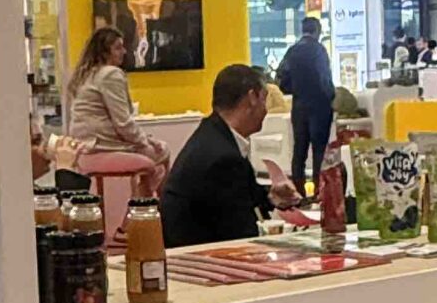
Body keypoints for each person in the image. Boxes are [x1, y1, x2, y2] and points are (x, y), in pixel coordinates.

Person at [159, 63, 298, 248]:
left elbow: (236, 197)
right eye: (264, 99)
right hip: (201, 256)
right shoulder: (223, 158)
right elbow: (242, 235)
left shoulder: (212, 135)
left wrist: (271, 198)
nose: (266, 110)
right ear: (252, 98)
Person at [65, 26, 165, 165]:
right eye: (118, 48)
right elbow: (123, 123)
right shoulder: (110, 74)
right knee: (162, 151)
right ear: (104, 53)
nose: (124, 51)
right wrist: (145, 142)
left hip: (82, 145)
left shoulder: (85, 75)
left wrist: (147, 139)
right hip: (103, 145)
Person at [275, 14, 335, 193]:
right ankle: (319, 191)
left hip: (299, 106)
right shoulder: (319, 50)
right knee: (319, 151)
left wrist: (294, 89)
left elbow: (281, 77)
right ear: (318, 31)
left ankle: (298, 192)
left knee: (299, 150)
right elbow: (324, 78)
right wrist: (331, 96)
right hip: (319, 106)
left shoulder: (292, 51)